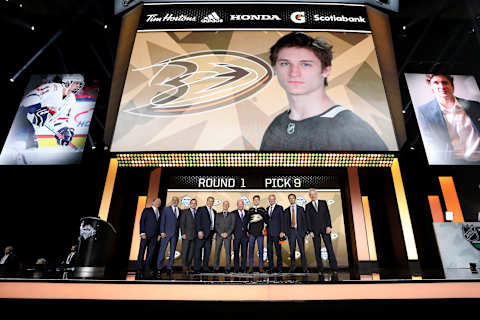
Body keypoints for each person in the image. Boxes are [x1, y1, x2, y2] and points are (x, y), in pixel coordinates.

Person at [260, 32, 387, 151]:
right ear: (275, 69)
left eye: (305, 65)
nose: (294, 73)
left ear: (325, 70)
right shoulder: (278, 124)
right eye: (285, 64)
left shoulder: (352, 129)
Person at [416, 74, 480, 163]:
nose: (441, 86)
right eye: (436, 83)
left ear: (452, 86)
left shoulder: (475, 105)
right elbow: (430, 142)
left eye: (445, 82)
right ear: (431, 87)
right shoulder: (424, 112)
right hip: (455, 162)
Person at [305, 188, 338, 276]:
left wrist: (329, 226)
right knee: (317, 250)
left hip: (325, 229)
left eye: (314, 194)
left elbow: (327, 215)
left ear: (316, 194)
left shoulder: (323, 203)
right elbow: (308, 219)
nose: (312, 195)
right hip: (314, 231)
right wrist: (310, 231)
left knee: (329, 248)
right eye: (310, 194)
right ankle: (320, 269)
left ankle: (334, 268)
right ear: (309, 196)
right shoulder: (307, 206)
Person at [136, 198, 161, 278]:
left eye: (159, 202)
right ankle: (139, 268)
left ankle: (147, 267)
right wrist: (142, 232)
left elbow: (159, 224)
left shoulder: (159, 212)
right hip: (145, 234)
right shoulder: (147, 210)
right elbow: (142, 221)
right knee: (142, 251)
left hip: (154, 236)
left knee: (150, 252)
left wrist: (159, 234)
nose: (158, 203)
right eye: (156, 201)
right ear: (153, 202)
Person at [284, 193, 308, 273]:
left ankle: (304, 268)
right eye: (290, 198)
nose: (291, 200)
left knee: (302, 250)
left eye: (292, 198)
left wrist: (306, 233)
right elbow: (286, 223)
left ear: (295, 199)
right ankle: (293, 267)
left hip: (300, 232)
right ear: (289, 200)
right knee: (292, 251)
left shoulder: (301, 209)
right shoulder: (286, 210)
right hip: (291, 232)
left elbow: (304, 221)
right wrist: (287, 233)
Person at [157, 196, 180, 276]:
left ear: (178, 201)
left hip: (175, 234)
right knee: (162, 250)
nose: (175, 201)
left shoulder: (179, 210)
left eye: (176, 200)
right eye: (173, 200)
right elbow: (162, 221)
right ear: (171, 201)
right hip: (166, 234)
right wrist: (162, 232)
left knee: (173, 251)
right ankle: (159, 268)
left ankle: (169, 268)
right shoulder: (166, 209)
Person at [194, 196, 217, 273]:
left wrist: (214, 233)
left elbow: (214, 224)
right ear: (207, 201)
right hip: (202, 233)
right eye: (209, 201)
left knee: (207, 252)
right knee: (198, 251)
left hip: (210, 234)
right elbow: (197, 220)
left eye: (212, 201)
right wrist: (199, 230)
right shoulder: (201, 209)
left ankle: (205, 268)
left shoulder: (214, 211)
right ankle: (197, 268)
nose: (210, 202)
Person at [246, 195, 267, 273]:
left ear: (259, 201)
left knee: (261, 251)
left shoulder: (262, 210)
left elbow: (267, 221)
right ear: (253, 201)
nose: (256, 201)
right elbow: (246, 221)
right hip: (251, 233)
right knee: (251, 250)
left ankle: (261, 267)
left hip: (260, 234)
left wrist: (264, 229)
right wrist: (247, 231)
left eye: (257, 200)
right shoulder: (250, 210)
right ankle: (250, 267)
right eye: (255, 200)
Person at [213, 201, 235, 273]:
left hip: (228, 236)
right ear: (223, 205)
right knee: (217, 251)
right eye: (224, 204)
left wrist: (227, 233)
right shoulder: (218, 214)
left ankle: (228, 268)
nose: (225, 205)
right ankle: (216, 268)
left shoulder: (231, 215)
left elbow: (232, 226)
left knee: (228, 252)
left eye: (227, 204)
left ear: (228, 206)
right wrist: (221, 233)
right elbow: (216, 225)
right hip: (219, 235)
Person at [265, 194, 285, 273]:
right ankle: (271, 268)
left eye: (273, 199)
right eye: (270, 199)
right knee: (269, 251)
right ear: (269, 200)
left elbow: (282, 220)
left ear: (275, 199)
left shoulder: (279, 208)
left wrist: (282, 231)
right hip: (269, 234)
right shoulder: (267, 209)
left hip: (277, 233)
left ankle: (279, 268)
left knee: (278, 251)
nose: (271, 200)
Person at [179, 198, 198, 273]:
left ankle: (189, 267)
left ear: (196, 204)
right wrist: (183, 233)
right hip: (186, 235)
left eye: (195, 203)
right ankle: (184, 267)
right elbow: (182, 223)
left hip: (194, 235)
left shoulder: (197, 212)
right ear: (190, 204)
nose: (193, 204)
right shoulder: (185, 212)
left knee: (191, 253)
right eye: (192, 203)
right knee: (185, 251)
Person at [232, 199, 249, 273]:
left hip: (245, 236)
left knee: (244, 252)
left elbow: (250, 223)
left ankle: (243, 267)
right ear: (237, 205)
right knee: (236, 252)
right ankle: (236, 268)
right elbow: (231, 224)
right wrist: (232, 233)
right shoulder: (233, 213)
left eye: (242, 204)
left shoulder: (247, 213)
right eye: (239, 204)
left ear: (243, 205)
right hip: (236, 235)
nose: (240, 205)